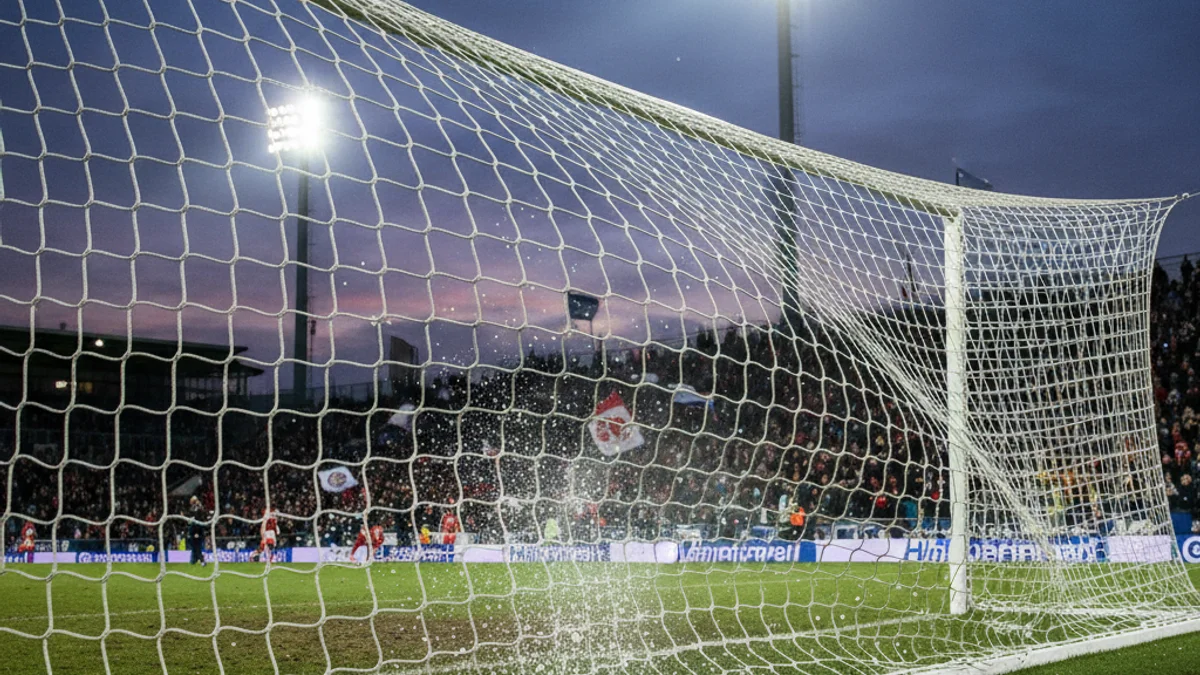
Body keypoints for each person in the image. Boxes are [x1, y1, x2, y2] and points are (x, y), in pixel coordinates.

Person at [187, 496, 207, 566]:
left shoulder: (196, 509)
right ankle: (194, 560)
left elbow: (197, 520)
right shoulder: (196, 508)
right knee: (195, 546)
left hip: (196, 530)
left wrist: (196, 532)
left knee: (197, 546)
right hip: (195, 529)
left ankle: (201, 560)